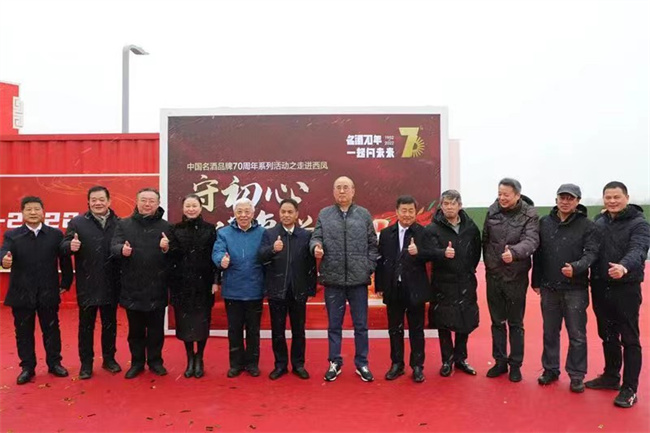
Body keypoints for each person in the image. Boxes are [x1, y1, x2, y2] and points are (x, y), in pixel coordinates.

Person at [586, 181, 650, 408]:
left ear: (627, 198)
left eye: (616, 197)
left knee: (629, 338)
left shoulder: (639, 224)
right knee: (607, 334)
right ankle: (611, 376)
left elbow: (638, 249)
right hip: (600, 286)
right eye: (608, 197)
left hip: (626, 287)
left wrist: (623, 266)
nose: (612, 201)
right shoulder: (599, 221)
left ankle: (630, 388)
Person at [531, 184, 599, 393]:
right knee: (550, 332)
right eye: (562, 197)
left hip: (575, 288)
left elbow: (591, 253)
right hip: (549, 288)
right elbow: (538, 254)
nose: (565, 201)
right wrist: (536, 281)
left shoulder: (587, 225)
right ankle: (550, 369)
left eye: (570, 198)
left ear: (578, 201)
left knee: (577, 334)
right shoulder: (544, 223)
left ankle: (577, 375)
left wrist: (576, 267)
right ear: (556, 199)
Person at [310, 176, 379, 382]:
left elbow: (373, 245)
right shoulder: (325, 214)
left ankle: (362, 363)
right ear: (333, 191)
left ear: (353, 191)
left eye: (345, 188)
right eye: (338, 188)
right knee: (334, 325)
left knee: (361, 325)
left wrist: (368, 267)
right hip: (333, 279)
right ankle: (334, 362)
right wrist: (316, 247)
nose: (342, 191)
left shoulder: (363, 214)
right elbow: (315, 237)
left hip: (358, 280)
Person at [0, 196, 73, 385]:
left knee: (51, 330)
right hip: (21, 292)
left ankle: (54, 363)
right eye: (28, 209)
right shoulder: (12, 235)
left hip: (48, 290)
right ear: (22, 213)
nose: (33, 213)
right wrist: (4, 260)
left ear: (43, 212)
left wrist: (66, 282)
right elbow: (4, 252)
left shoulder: (55, 234)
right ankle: (27, 367)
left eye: (36, 209)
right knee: (23, 332)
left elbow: (64, 260)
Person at [61, 186, 122, 379]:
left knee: (110, 325)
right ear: (88, 202)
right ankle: (86, 364)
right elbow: (63, 246)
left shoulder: (120, 223)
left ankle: (109, 359)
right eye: (94, 199)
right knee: (86, 327)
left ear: (109, 201)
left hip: (111, 283)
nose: (98, 203)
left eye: (101, 199)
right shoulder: (77, 223)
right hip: (87, 283)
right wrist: (70, 246)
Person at [111, 188, 172, 379]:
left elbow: (175, 256)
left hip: (157, 286)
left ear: (158, 203)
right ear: (136, 202)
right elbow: (113, 246)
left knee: (156, 330)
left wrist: (166, 249)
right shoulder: (124, 224)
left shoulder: (166, 226)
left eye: (151, 201)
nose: (147, 204)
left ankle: (155, 361)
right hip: (133, 286)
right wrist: (121, 249)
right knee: (135, 330)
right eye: (144, 200)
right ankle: (137, 362)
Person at [482, 178, 539, 382]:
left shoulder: (529, 214)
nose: (502, 198)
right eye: (500, 194)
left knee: (515, 323)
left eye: (506, 194)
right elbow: (485, 240)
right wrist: (490, 264)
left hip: (516, 276)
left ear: (517, 195)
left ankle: (515, 364)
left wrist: (514, 253)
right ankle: (499, 361)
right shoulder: (492, 211)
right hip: (494, 275)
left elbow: (532, 240)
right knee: (497, 322)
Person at [258, 198, 317, 380]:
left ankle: (298, 364)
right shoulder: (270, 234)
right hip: (277, 290)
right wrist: (272, 249)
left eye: (290, 212)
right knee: (278, 330)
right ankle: (280, 365)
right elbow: (260, 256)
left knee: (299, 330)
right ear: (279, 213)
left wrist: (310, 289)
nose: (286, 215)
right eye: (283, 211)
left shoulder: (305, 235)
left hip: (298, 290)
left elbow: (310, 265)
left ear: (297, 214)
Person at [375, 195, 431, 383]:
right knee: (395, 329)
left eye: (411, 211)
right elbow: (381, 261)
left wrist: (419, 253)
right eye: (404, 211)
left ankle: (417, 366)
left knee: (417, 330)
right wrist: (380, 286)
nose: (407, 214)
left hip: (415, 288)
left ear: (415, 213)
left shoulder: (423, 232)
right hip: (393, 288)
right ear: (397, 212)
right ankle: (397, 364)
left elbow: (431, 256)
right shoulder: (386, 234)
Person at [426, 190, 482, 378]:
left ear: (460, 205)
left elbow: (476, 253)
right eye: (446, 204)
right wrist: (442, 253)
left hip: (465, 280)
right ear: (441, 206)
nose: (449, 207)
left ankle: (461, 359)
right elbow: (427, 252)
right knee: (444, 322)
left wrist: (466, 269)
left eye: (453, 203)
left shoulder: (470, 228)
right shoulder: (432, 229)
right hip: (443, 282)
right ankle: (446, 360)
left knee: (465, 320)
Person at [212, 198, 265, 378]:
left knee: (253, 331)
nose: (243, 215)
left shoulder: (263, 233)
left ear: (253, 213)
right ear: (234, 213)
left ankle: (252, 364)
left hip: (255, 289)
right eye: (239, 211)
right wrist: (221, 260)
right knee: (234, 330)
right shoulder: (224, 233)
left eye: (247, 211)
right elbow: (218, 252)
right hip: (233, 290)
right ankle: (236, 364)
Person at [168, 194, 217, 379]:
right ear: (183, 208)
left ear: (201, 208)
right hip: (181, 284)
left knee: (202, 322)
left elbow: (215, 257)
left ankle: (200, 358)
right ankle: (190, 358)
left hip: (204, 284)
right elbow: (171, 257)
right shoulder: (174, 229)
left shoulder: (210, 229)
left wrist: (215, 281)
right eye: (187, 205)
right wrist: (165, 248)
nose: (191, 209)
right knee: (185, 323)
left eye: (194, 205)